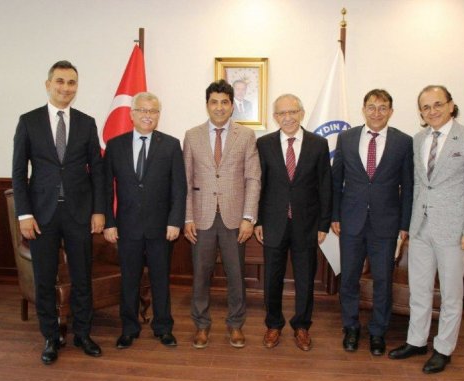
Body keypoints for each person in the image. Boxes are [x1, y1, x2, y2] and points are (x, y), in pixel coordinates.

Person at [388, 85, 464, 373]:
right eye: (426, 107)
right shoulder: (419, 139)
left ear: (450, 105)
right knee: (419, 290)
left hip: (454, 232)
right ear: (420, 112)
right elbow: (418, 185)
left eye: (437, 104)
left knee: (450, 295)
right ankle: (416, 341)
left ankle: (443, 349)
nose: (432, 111)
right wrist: (408, 227)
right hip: (420, 228)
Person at [12, 60, 105, 365]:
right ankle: (51, 337)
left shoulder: (87, 123)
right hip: (42, 216)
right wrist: (24, 215)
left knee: (82, 277)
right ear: (48, 84)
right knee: (44, 280)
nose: (66, 88)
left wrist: (99, 211)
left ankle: (83, 334)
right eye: (60, 81)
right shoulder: (29, 121)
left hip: (79, 213)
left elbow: (97, 171)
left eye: (72, 82)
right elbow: (18, 172)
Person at [331, 89, 413, 356]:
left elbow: (408, 186)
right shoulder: (346, 138)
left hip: (386, 223)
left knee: (383, 280)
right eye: (371, 107)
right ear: (363, 109)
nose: (377, 113)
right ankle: (351, 327)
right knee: (349, 278)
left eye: (383, 107)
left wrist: (405, 223)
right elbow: (336, 180)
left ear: (391, 111)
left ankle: (378, 332)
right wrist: (334, 215)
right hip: (350, 220)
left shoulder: (404, 142)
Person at [103, 92, 186, 349]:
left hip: (161, 228)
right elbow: (105, 189)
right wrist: (109, 222)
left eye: (153, 111)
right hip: (127, 227)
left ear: (158, 115)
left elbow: (179, 187)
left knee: (161, 280)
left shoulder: (171, 145)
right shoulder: (115, 145)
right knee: (129, 280)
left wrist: (175, 221)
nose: (148, 115)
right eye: (142, 110)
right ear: (132, 114)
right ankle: (129, 328)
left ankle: (163, 327)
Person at [183, 79, 261, 349]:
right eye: (214, 102)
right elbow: (185, 180)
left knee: (236, 275)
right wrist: (187, 217)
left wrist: (248, 217)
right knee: (200, 275)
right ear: (207, 105)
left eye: (224, 102)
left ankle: (236, 325)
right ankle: (201, 325)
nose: (219, 107)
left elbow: (253, 179)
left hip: (234, 218)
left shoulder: (246, 136)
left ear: (231, 106)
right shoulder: (192, 135)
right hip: (201, 217)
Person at [254, 94, 331, 351]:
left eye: (292, 112)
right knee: (272, 278)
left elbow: (325, 186)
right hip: (273, 223)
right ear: (275, 117)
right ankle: (273, 324)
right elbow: (259, 185)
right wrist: (258, 221)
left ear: (301, 113)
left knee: (305, 279)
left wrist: (323, 224)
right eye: (281, 113)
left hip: (307, 224)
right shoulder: (263, 144)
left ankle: (302, 326)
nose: (287, 117)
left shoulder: (318, 144)